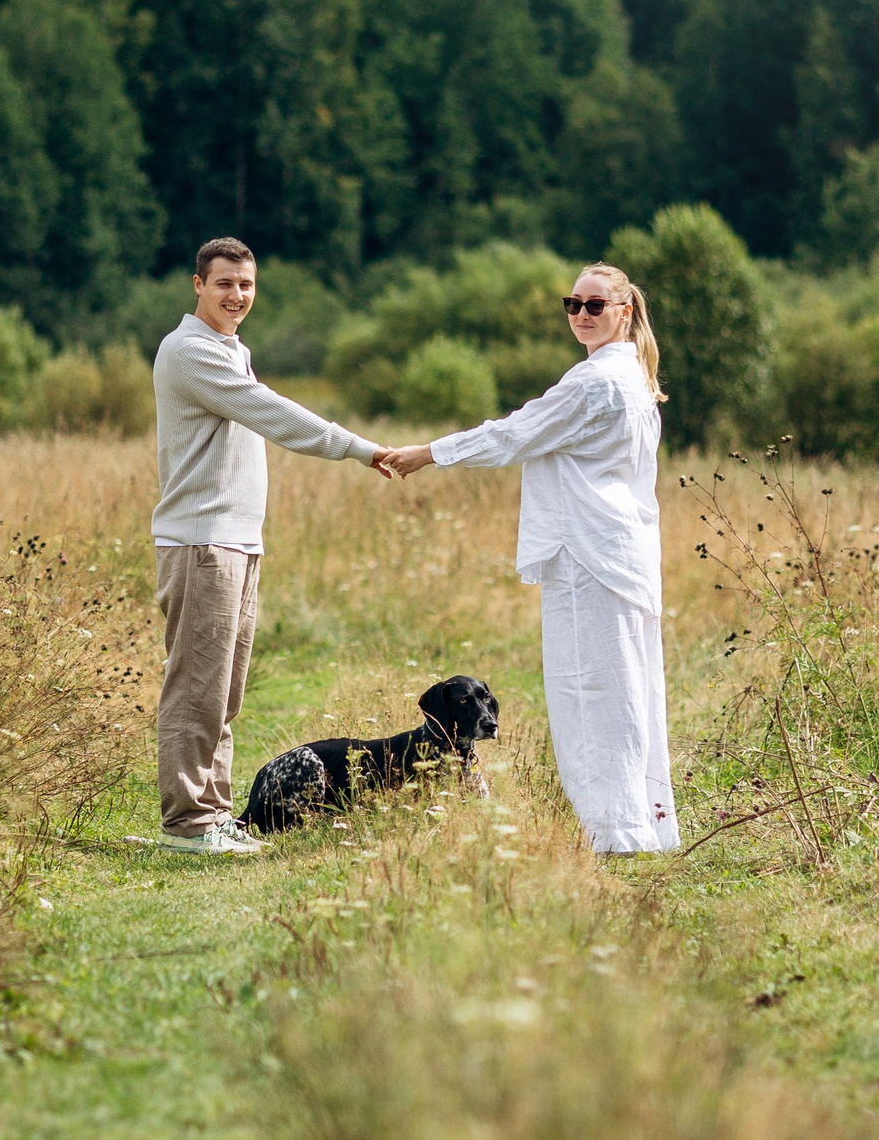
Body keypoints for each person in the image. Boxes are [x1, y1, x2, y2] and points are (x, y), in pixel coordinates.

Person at [379, 263, 680, 855]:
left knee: (592, 693)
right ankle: (643, 823)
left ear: (626, 311)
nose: (582, 315)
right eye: (573, 304)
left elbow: (512, 435)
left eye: (596, 305)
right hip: (623, 551)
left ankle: (615, 832)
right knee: (628, 689)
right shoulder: (635, 381)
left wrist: (428, 453)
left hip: (590, 553)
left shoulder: (597, 383)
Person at [152, 236, 395, 855]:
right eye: (225, 284)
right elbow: (274, 415)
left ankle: (215, 812)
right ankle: (188, 823)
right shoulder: (189, 352)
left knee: (226, 691)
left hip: (236, 540)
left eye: (247, 285)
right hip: (202, 540)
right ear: (197, 285)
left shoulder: (230, 349)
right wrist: (360, 448)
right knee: (197, 689)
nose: (238, 296)